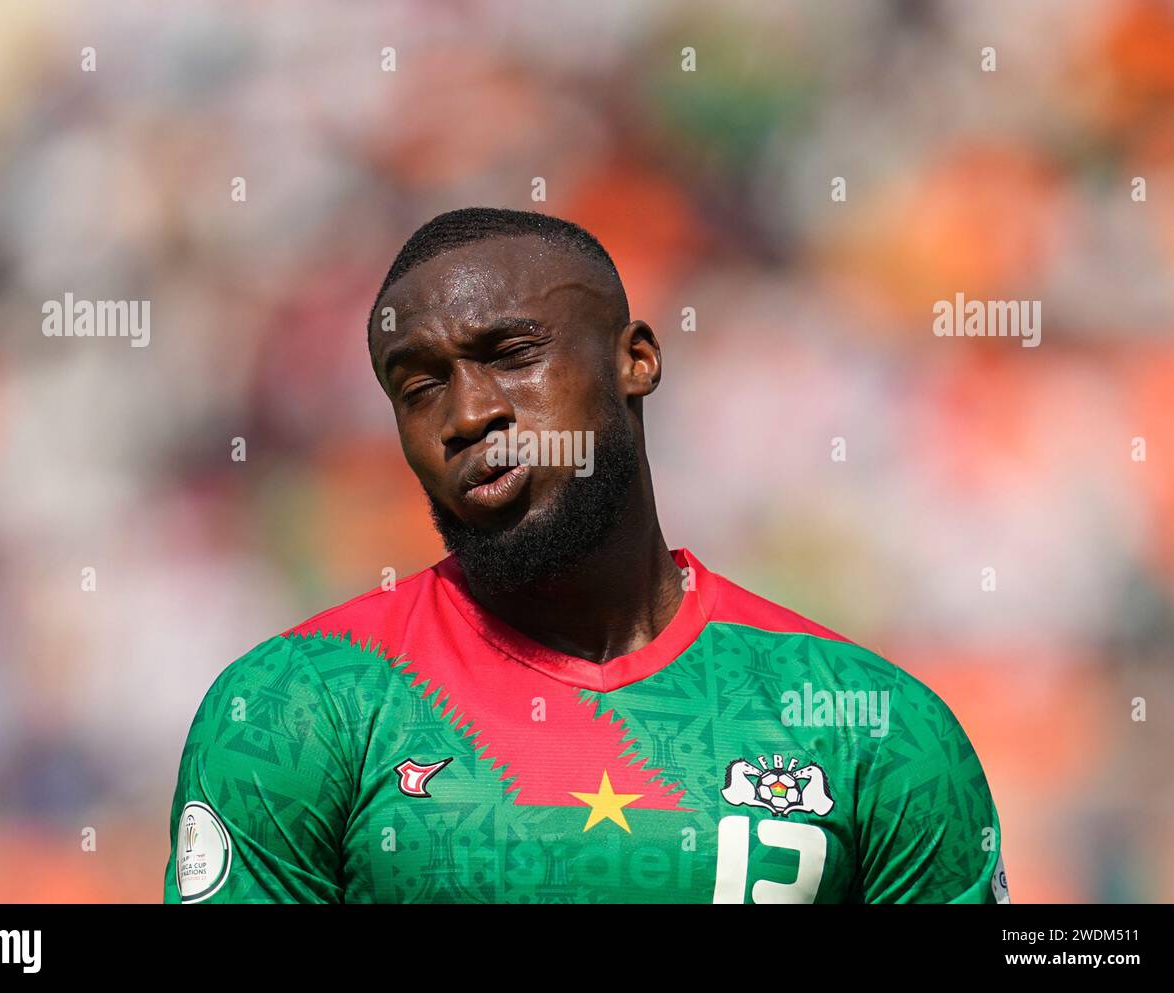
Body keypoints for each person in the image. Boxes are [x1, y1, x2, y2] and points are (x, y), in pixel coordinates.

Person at [164, 206, 1009, 904]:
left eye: (510, 355)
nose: (467, 414)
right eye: (418, 385)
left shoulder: (869, 720)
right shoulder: (296, 708)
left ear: (634, 360)